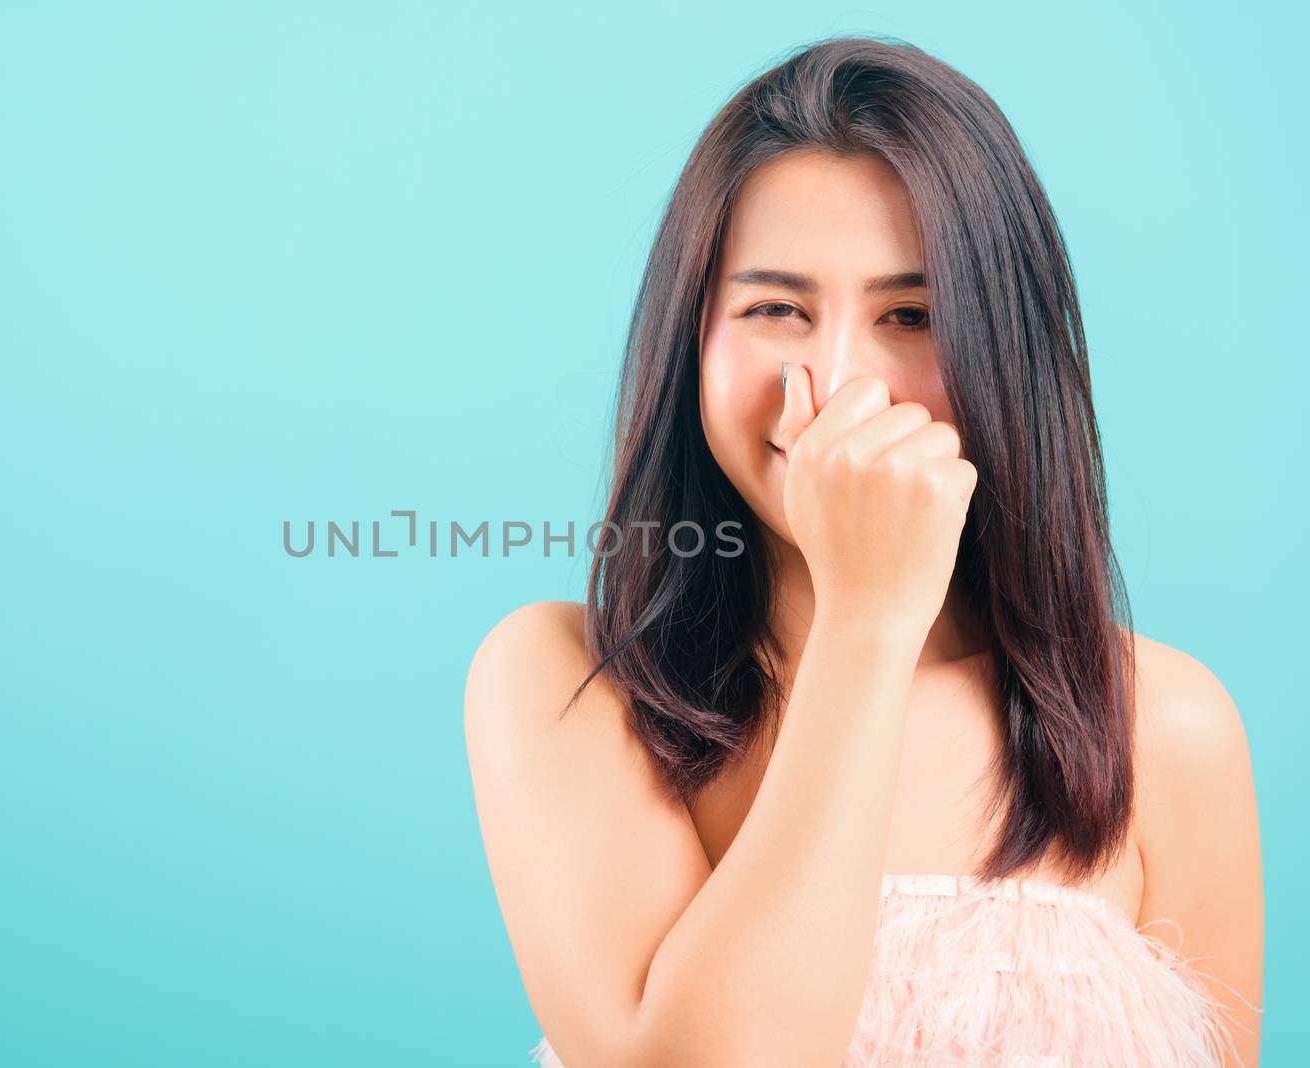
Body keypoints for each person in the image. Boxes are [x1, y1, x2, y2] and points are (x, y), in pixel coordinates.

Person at [463, 34, 1264, 1067]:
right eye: (775, 309)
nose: (840, 380)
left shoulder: (1164, 726)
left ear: (1004, 352)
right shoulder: (573, 682)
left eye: (911, 315)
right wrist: (867, 621)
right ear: (689, 340)